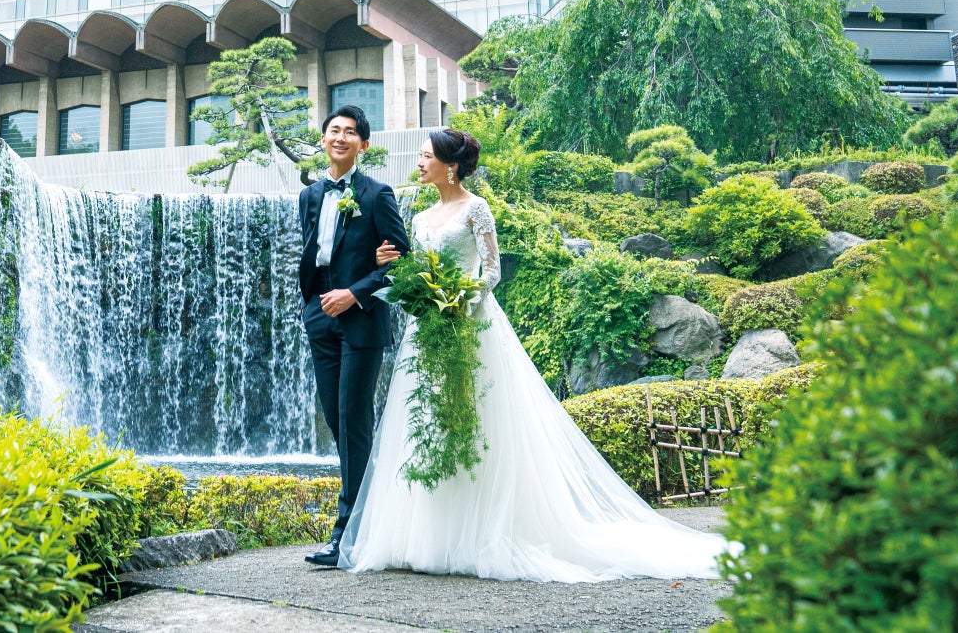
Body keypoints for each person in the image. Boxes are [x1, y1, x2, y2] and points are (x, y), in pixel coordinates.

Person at [338, 127, 730, 583]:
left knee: (478, 421)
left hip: (470, 324)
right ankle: (425, 536)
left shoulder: (476, 208)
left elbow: (492, 272)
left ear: (450, 165)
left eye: (426, 157)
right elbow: (418, 268)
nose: (419, 163)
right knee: (427, 422)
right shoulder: (421, 217)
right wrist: (395, 266)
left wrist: (458, 299)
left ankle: (480, 533)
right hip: (429, 328)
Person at [297, 104, 410, 567]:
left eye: (350, 133)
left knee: (353, 422)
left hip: (360, 319)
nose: (340, 137)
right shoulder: (309, 195)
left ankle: (346, 535)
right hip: (319, 316)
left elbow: (401, 258)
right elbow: (312, 253)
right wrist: (313, 306)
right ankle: (370, 514)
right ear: (323, 140)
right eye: (333, 130)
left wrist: (355, 292)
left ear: (363, 144)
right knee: (338, 422)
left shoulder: (377, 194)